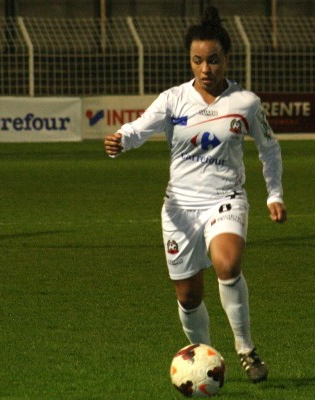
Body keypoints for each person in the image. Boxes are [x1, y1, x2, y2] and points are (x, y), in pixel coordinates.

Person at [104, 6, 286, 383]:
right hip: (179, 209)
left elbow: (269, 148)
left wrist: (274, 194)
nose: (206, 69)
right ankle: (207, 360)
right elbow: (140, 127)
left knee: (228, 265)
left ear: (226, 59)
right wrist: (121, 140)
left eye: (214, 60)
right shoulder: (173, 99)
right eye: (198, 61)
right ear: (190, 60)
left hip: (226, 199)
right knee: (188, 297)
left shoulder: (245, 102)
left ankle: (246, 350)